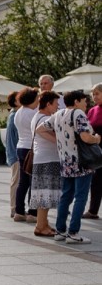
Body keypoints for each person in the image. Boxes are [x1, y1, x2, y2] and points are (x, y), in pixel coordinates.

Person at [44, 90, 98, 244]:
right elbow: (85, 137)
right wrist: (97, 139)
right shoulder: (78, 114)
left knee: (66, 196)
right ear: (76, 101)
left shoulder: (59, 114)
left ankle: (60, 230)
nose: (86, 103)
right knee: (81, 197)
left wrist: (60, 142)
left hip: (65, 161)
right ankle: (73, 232)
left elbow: (41, 128)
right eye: (84, 100)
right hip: (81, 162)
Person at [29, 91, 61, 237]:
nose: (58, 106)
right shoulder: (46, 118)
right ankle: (40, 226)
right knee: (45, 193)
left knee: (44, 192)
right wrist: (57, 141)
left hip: (41, 158)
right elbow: (40, 131)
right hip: (47, 159)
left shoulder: (36, 116)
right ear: (48, 104)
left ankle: (43, 223)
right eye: (56, 103)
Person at [14, 87, 39, 223]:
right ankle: (32, 212)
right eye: (37, 99)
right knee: (33, 181)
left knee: (23, 181)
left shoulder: (19, 112)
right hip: (31, 148)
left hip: (21, 146)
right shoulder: (32, 113)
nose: (38, 102)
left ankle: (19, 211)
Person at [83, 83, 102, 220]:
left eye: (97, 93)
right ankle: (93, 210)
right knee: (96, 181)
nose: (94, 97)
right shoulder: (92, 110)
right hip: (96, 150)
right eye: (93, 94)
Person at [5, 91, 20, 218]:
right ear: (16, 102)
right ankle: (14, 208)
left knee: (16, 181)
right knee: (16, 181)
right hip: (16, 154)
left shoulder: (14, 115)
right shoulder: (15, 116)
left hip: (14, 153)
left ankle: (16, 207)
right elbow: (13, 138)